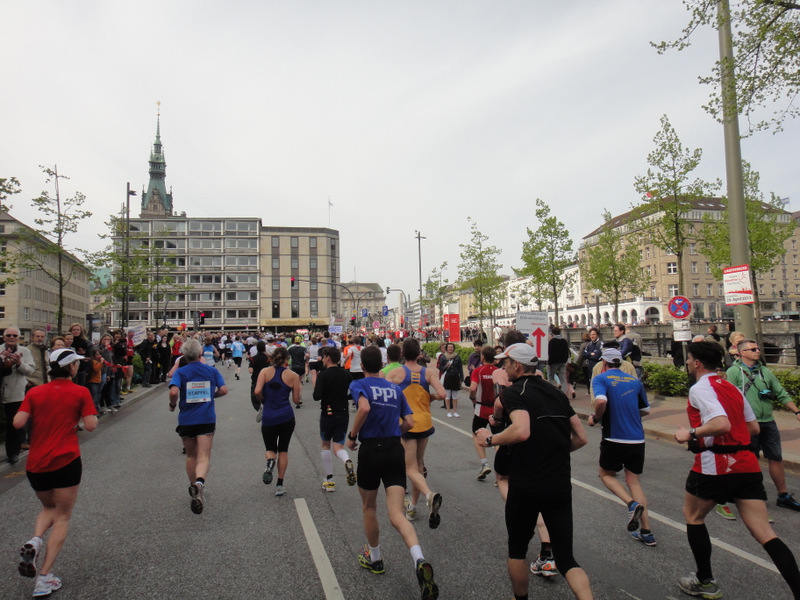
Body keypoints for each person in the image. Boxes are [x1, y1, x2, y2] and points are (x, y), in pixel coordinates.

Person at [674, 341, 800, 599]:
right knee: (765, 533)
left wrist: (690, 432)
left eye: (688, 359)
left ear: (697, 363)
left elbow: (721, 424)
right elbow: (753, 429)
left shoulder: (700, 388)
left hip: (716, 464)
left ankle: (705, 581)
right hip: (746, 463)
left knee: (693, 516)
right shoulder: (731, 387)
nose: (687, 363)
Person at [475, 344, 592, 600]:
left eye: (505, 363)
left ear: (517, 365)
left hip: (526, 482)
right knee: (566, 557)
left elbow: (521, 430)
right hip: (559, 483)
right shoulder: (557, 393)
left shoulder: (514, 393)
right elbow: (582, 438)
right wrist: (555, 452)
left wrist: (489, 440)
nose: (502, 367)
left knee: (517, 550)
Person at [346, 345, 439, 600]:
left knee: (369, 507)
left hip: (371, 450)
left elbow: (363, 408)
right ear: (382, 362)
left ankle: (375, 558)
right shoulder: (395, 389)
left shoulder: (360, 385)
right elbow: (409, 422)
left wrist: (352, 436)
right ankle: (419, 559)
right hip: (394, 449)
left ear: (362, 366)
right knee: (397, 513)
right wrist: (393, 426)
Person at [13, 348, 97, 598]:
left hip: (36, 464)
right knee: (62, 516)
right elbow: (91, 425)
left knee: (48, 508)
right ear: (71, 367)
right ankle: (44, 577)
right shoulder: (80, 392)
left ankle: (35, 540)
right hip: (66, 460)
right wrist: (76, 421)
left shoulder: (36, 392)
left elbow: (18, 422)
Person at [724, 339, 800, 511]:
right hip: (748, 424)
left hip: (768, 421)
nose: (757, 351)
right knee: (749, 459)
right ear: (742, 352)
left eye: (758, 348)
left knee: (776, 457)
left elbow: (780, 392)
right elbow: (727, 397)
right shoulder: (734, 372)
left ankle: (783, 495)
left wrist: (796, 411)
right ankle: (748, 493)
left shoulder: (764, 371)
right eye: (753, 349)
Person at [589, 348, 655, 545]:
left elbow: (601, 401)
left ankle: (630, 504)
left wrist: (597, 417)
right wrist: (629, 414)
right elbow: (645, 410)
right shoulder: (634, 381)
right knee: (634, 481)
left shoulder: (601, 379)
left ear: (603, 363)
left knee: (605, 474)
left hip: (614, 438)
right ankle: (647, 531)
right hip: (637, 438)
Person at [387, 338, 446, 527]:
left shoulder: (396, 373)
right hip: (425, 422)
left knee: (410, 468)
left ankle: (429, 495)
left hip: (407, 423)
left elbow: (386, 393)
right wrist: (432, 398)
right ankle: (412, 506)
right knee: (419, 464)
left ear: (403, 354)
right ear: (419, 354)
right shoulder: (427, 372)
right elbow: (443, 394)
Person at [168, 339, 228, 514]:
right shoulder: (211, 370)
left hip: (186, 418)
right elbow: (224, 390)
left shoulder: (181, 371)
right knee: (203, 456)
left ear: (184, 355)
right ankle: (200, 484)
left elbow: (173, 391)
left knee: (191, 456)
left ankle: (193, 484)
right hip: (206, 417)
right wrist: (211, 395)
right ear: (201, 353)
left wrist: (172, 405)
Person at [254, 346, 302, 496]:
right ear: (287, 359)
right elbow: (296, 400)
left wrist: (263, 399)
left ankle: (270, 462)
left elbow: (256, 391)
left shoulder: (265, 372)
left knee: (270, 448)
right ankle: (280, 484)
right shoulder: (292, 375)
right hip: (286, 416)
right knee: (283, 450)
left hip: (268, 415)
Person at [312, 346, 355, 491]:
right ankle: (346, 459)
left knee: (326, 445)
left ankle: (330, 480)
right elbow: (353, 394)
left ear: (328, 358)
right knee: (338, 446)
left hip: (328, 413)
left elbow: (316, 396)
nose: (323, 360)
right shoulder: (346, 375)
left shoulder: (323, 375)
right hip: (343, 413)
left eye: (323, 357)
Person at [2, 326, 36, 464]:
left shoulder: (25, 351)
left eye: (14, 336)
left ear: (18, 338)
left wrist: (19, 363)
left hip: (16, 392)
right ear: (4, 337)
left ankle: (13, 453)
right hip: (2, 389)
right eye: (8, 335)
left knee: (14, 424)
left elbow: (30, 370)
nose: (11, 338)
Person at [469, 345, 498, 480]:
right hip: (496, 409)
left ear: (483, 357)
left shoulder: (478, 371)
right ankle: (500, 472)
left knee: (477, 434)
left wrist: (472, 398)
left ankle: (484, 463)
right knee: (498, 439)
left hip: (481, 408)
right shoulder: (499, 372)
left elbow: (473, 388)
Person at [439, 343, 463, 418]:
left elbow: (460, 368)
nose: (450, 348)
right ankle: (448, 411)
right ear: (446, 348)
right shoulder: (443, 357)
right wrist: (446, 366)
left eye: (452, 347)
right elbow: (441, 368)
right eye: (449, 347)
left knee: (455, 395)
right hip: (447, 377)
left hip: (455, 377)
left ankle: (455, 411)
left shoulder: (457, 357)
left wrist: (461, 378)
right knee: (448, 395)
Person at [547, 326, 571, 391]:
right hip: (563, 362)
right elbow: (566, 352)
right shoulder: (564, 341)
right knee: (563, 379)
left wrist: (549, 363)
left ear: (552, 333)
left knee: (551, 377)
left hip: (554, 362)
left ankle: (552, 392)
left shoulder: (552, 341)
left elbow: (550, 353)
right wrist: (565, 361)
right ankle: (563, 393)